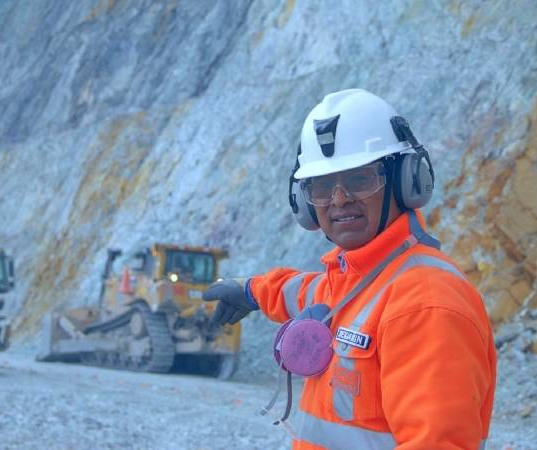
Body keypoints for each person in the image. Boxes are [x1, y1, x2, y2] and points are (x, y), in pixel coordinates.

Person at [203, 89, 496, 449]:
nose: (339, 199)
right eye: (322, 186)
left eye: (360, 179)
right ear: (305, 202)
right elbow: (307, 292)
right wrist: (251, 290)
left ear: (405, 180)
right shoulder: (357, 281)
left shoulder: (425, 305)